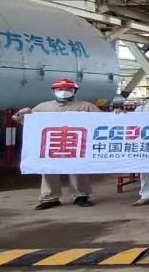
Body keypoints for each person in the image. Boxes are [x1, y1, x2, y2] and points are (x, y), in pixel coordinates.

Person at [12, 78, 101, 210]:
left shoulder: (86, 106)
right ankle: (49, 198)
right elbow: (22, 120)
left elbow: (104, 120)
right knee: (49, 169)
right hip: (51, 144)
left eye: (68, 89)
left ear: (74, 91)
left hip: (76, 144)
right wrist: (21, 114)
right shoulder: (43, 107)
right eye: (60, 89)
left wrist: (119, 115)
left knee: (78, 169)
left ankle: (81, 196)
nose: (64, 91)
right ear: (54, 91)